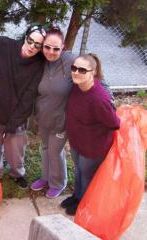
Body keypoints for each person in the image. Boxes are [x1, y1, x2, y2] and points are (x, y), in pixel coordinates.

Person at [0, 25, 46, 188]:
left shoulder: (39, 65)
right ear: (25, 37)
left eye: (37, 45)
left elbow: (29, 97)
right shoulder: (4, 44)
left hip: (17, 115)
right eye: (30, 41)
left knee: (16, 149)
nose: (32, 46)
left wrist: (15, 121)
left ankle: (17, 173)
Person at [61, 53, 120, 215]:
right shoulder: (76, 86)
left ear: (92, 72)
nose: (76, 72)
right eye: (74, 68)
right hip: (77, 141)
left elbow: (114, 123)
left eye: (82, 70)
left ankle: (84, 203)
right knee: (78, 170)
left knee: (87, 176)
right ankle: (77, 196)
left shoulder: (98, 98)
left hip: (93, 147)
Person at [30, 27, 74, 198]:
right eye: (47, 47)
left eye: (56, 48)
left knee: (55, 152)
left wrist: (108, 98)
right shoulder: (40, 61)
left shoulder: (71, 61)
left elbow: (93, 72)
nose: (51, 52)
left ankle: (58, 182)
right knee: (45, 148)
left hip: (61, 120)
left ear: (63, 47)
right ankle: (46, 178)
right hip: (44, 117)